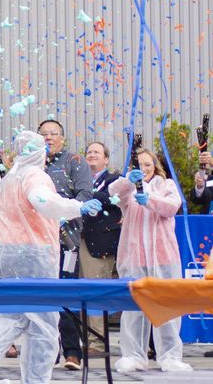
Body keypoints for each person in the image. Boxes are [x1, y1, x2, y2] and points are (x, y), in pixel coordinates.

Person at [0, 129, 100, 384]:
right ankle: (36, 379)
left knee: (7, 315)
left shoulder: (8, 178)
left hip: (1, 254)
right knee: (42, 322)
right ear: (40, 153)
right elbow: (43, 201)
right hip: (32, 256)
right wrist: (77, 206)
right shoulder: (34, 176)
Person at [107, 148, 189, 374]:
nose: (143, 169)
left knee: (167, 305)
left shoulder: (166, 185)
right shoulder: (128, 188)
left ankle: (170, 356)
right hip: (134, 257)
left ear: (155, 165)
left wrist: (151, 199)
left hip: (163, 257)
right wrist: (127, 181)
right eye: (139, 165)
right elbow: (114, 194)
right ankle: (133, 355)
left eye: (147, 164)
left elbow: (172, 207)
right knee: (134, 308)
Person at [36, 119, 91, 372]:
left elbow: (85, 196)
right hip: (37, 241)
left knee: (65, 293)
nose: (48, 138)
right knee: (41, 296)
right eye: (44, 134)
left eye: (53, 133)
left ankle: (72, 352)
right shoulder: (33, 165)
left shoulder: (74, 161)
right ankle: (47, 352)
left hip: (67, 239)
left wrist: (61, 212)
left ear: (63, 138)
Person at [75, 142, 121, 360]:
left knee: (95, 291)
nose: (91, 154)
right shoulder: (79, 179)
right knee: (81, 291)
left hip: (100, 243)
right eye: (89, 152)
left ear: (106, 159)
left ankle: (97, 342)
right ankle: (84, 339)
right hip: (76, 240)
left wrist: (90, 197)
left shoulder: (114, 180)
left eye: (96, 152)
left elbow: (108, 199)